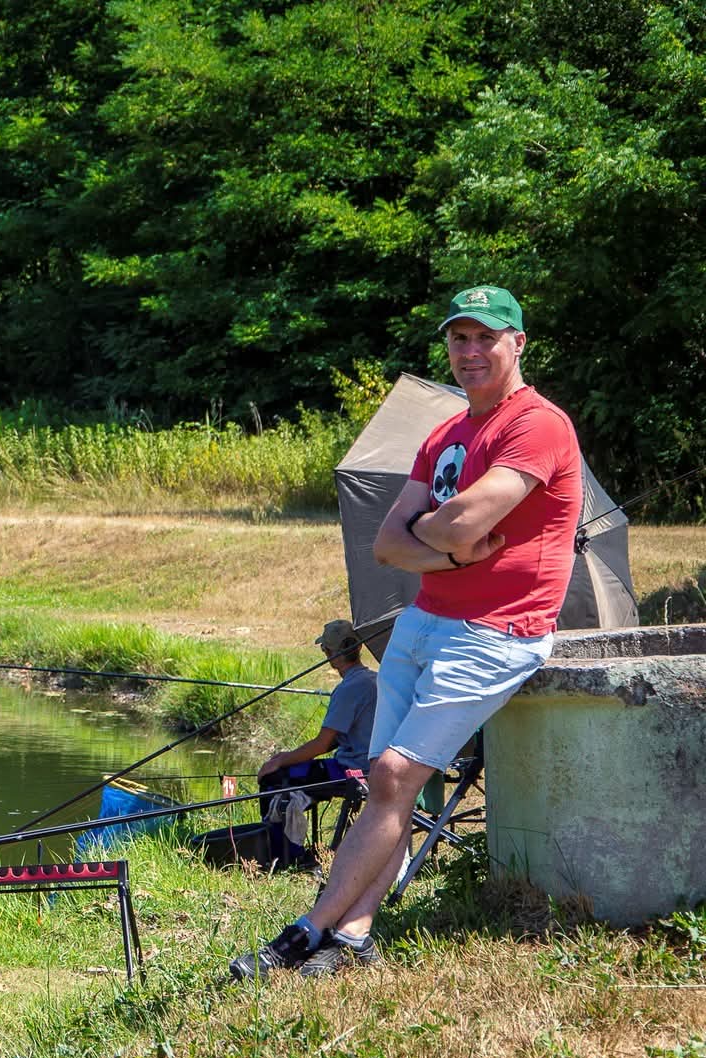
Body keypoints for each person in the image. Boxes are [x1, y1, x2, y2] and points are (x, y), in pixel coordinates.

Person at [230, 284, 581, 980]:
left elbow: (455, 521)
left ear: (518, 344)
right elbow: (389, 545)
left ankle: (305, 931)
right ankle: (355, 935)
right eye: (459, 338)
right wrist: (449, 552)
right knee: (384, 784)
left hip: (497, 631)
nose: (471, 351)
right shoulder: (444, 436)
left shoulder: (537, 425)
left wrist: (439, 532)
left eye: (486, 337)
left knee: (393, 773)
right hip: (423, 620)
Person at [255, 619, 377, 870]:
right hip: (374, 765)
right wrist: (290, 756)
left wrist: (280, 760)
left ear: (329, 653)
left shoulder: (349, 688)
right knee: (297, 772)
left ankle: (286, 858)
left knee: (274, 778)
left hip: (352, 771)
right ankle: (305, 850)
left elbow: (322, 744)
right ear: (358, 647)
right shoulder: (375, 680)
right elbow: (337, 738)